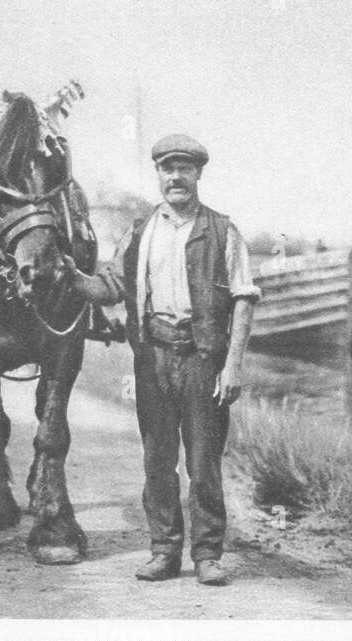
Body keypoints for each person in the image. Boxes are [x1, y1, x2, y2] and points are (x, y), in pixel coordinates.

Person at [64, 134, 260, 586]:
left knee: (204, 463)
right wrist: (68, 275)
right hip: (152, 358)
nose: (176, 177)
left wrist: (232, 366)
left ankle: (208, 555)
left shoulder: (222, 231)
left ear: (198, 175)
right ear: (158, 175)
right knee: (157, 462)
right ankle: (164, 551)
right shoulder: (139, 231)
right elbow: (110, 287)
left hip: (202, 359)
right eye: (167, 169)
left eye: (184, 169)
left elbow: (244, 299)